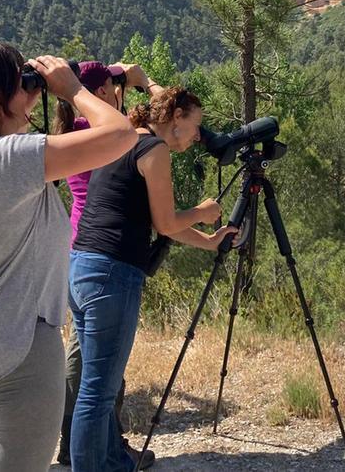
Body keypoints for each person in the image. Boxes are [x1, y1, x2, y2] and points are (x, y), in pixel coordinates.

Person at [0, 42, 137, 472]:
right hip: (14, 350)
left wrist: (28, 97)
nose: (31, 94)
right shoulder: (6, 159)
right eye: (23, 87)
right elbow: (121, 134)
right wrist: (73, 89)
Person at [69, 85, 235, 472]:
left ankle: (111, 461)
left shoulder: (126, 138)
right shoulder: (155, 151)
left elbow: (163, 224)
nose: (197, 137)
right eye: (195, 126)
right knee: (98, 391)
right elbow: (167, 221)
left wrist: (210, 242)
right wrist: (203, 211)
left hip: (82, 267)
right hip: (113, 272)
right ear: (176, 117)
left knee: (97, 388)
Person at [51, 59, 149, 466]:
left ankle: (94, 444)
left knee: (91, 358)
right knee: (95, 366)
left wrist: (122, 81)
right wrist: (147, 83)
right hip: (104, 251)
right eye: (110, 85)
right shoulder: (96, 134)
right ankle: (86, 448)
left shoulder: (72, 130)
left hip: (80, 247)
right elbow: (167, 120)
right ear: (101, 93)